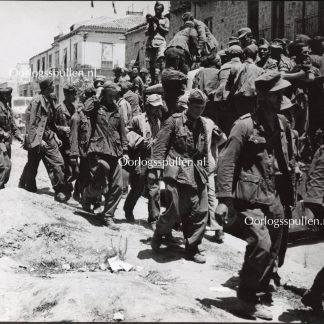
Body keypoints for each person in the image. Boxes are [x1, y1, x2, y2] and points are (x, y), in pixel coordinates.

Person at [215, 71, 295, 320]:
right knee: (261, 245)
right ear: (262, 96)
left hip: (274, 196)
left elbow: (288, 158)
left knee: (273, 251)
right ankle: (246, 298)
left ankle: (259, 293)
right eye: (276, 93)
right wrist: (224, 200)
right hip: (249, 197)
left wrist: (291, 188)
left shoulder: (283, 123)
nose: (281, 96)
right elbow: (227, 163)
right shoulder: (244, 124)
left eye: (282, 92)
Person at [149, 89, 209, 264]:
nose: (198, 111)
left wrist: (205, 170)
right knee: (174, 210)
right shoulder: (174, 121)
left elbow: (203, 150)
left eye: (202, 107)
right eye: (196, 107)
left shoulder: (202, 124)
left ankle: (192, 247)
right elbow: (161, 145)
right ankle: (160, 232)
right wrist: (155, 168)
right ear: (188, 105)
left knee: (200, 211)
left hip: (195, 171)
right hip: (175, 168)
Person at [82, 81, 128, 228]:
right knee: (100, 186)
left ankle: (108, 216)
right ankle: (86, 195)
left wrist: (125, 151)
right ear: (104, 94)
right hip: (97, 150)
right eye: (109, 95)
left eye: (114, 96)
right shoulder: (95, 107)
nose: (112, 99)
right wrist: (96, 95)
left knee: (118, 186)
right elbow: (85, 109)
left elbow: (122, 132)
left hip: (114, 151)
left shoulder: (117, 109)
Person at [23, 78, 69, 202]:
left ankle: (59, 190)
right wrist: (38, 140)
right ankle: (26, 186)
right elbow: (31, 123)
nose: (53, 86)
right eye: (51, 85)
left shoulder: (50, 100)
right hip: (37, 137)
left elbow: (51, 123)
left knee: (58, 163)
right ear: (47, 87)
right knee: (33, 164)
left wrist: (56, 136)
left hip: (49, 136)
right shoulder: (37, 101)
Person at [123, 94, 163, 224]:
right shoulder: (137, 119)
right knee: (138, 188)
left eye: (158, 107)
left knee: (154, 188)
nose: (157, 110)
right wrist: (139, 140)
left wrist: (155, 141)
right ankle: (128, 209)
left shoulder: (158, 121)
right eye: (154, 107)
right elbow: (126, 133)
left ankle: (154, 218)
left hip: (152, 157)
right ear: (148, 107)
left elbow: (158, 137)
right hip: (139, 157)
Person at [69, 86, 97, 203]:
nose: (92, 100)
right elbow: (73, 136)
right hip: (83, 150)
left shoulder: (95, 114)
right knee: (85, 173)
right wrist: (74, 154)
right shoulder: (78, 116)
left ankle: (80, 193)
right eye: (90, 97)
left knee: (87, 173)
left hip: (94, 149)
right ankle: (80, 194)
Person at [226, 44, 264, 118]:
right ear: (256, 56)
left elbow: (229, 85)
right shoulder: (260, 71)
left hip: (236, 102)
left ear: (244, 55)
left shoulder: (235, 68)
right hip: (252, 102)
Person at [55, 84, 79, 198]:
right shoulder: (59, 108)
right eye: (72, 94)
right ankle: (62, 190)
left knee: (74, 169)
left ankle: (67, 187)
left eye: (74, 94)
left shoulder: (74, 108)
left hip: (71, 143)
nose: (74, 96)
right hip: (62, 143)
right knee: (63, 168)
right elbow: (51, 126)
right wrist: (62, 128)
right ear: (66, 95)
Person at [214, 45, 243, 135]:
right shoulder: (243, 66)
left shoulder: (223, 67)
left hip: (222, 100)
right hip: (236, 100)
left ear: (229, 56)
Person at [0, 88, 23, 189]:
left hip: (7, 142)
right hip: (1, 141)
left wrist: (19, 136)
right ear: (5, 96)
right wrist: (2, 132)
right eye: (10, 95)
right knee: (6, 164)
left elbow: (13, 125)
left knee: (7, 164)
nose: (11, 97)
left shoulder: (7, 108)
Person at [145, 1, 169, 85]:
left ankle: (160, 79)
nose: (157, 11)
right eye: (156, 10)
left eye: (158, 10)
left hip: (161, 42)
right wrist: (151, 22)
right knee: (151, 63)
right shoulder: (151, 19)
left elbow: (166, 31)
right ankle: (152, 80)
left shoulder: (165, 19)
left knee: (160, 60)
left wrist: (158, 24)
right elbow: (147, 33)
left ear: (162, 10)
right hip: (151, 42)